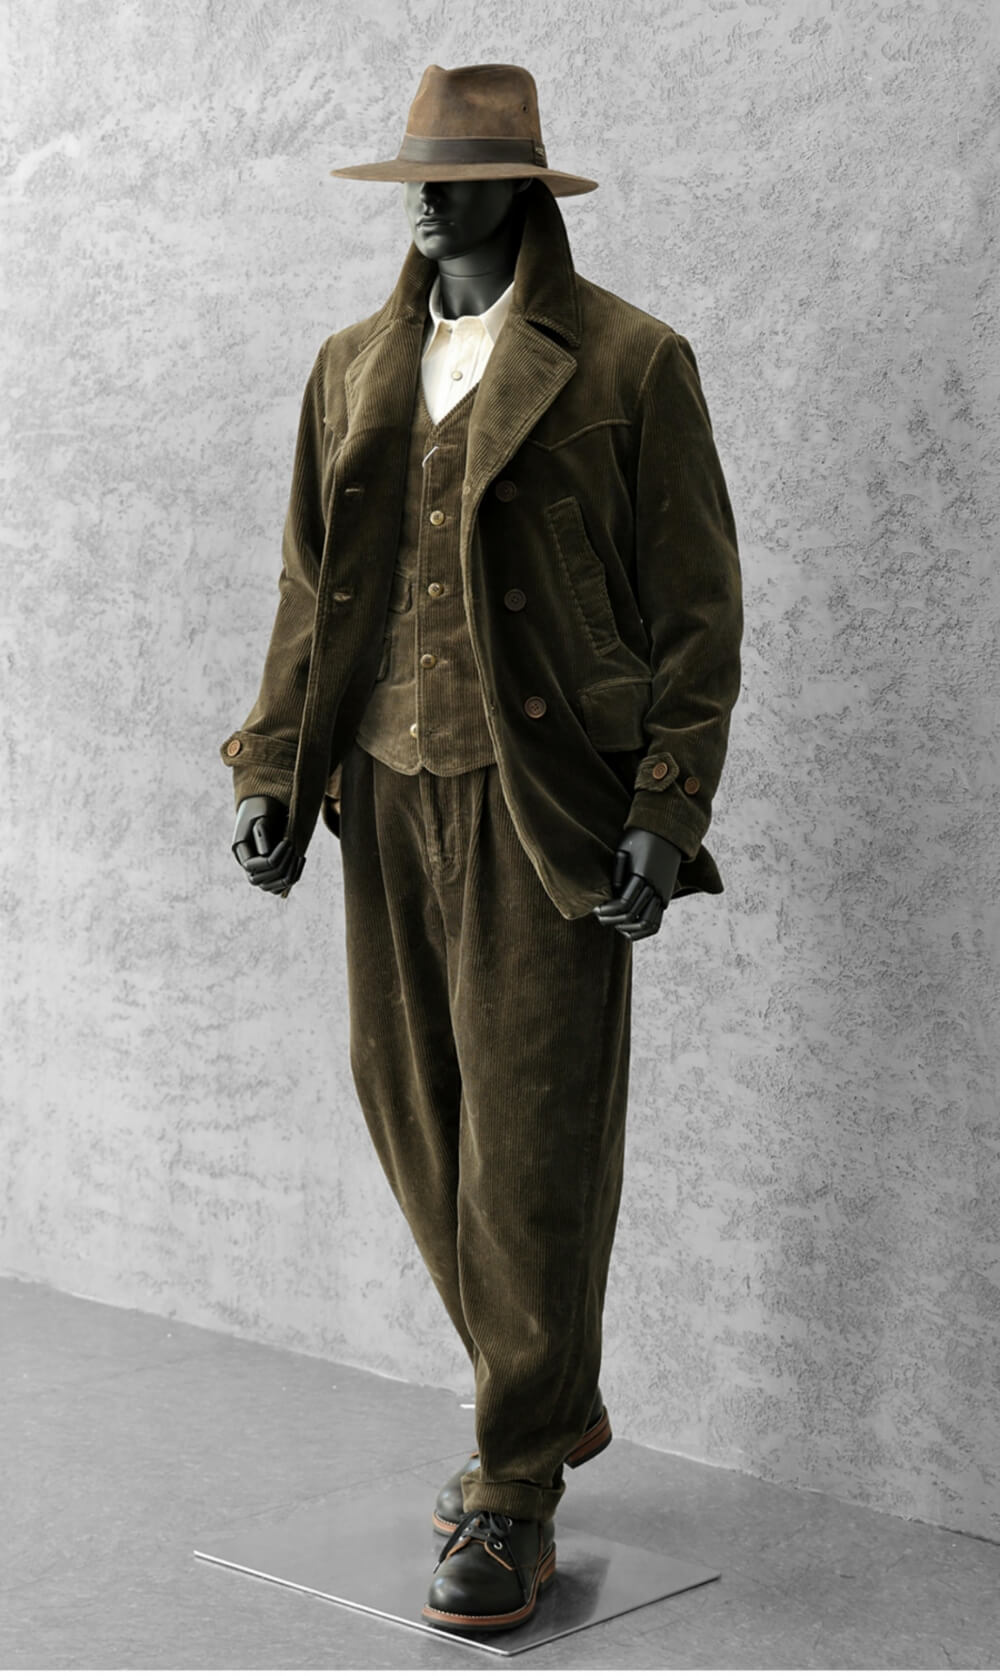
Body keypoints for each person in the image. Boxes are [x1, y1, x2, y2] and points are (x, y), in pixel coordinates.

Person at [220, 62, 743, 1635]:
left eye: (456, 176)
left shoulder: (630, 363)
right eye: (414, 178)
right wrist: (272, 764)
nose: (428, 199)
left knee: (533, 1144)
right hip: (380, 787)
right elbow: (309, 591)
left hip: (545, 802)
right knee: (412, 1114)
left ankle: (513, 1483)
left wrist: (663, 807)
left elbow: (698, 616)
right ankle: (550, 1392)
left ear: (521, 189)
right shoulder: (350, 368)